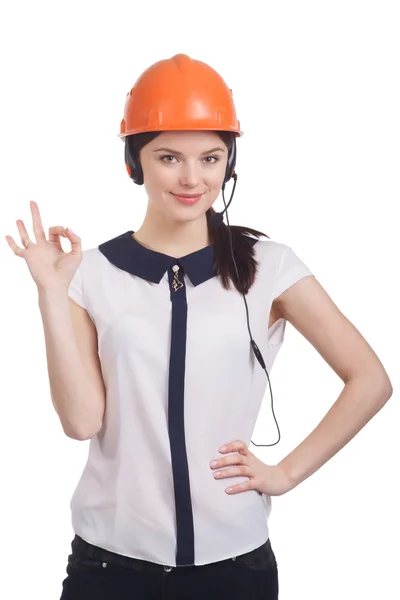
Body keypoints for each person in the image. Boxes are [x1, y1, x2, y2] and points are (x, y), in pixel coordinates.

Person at [5, 54, 392, 600]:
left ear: (229, 162)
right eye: (168, 157)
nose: (192, 179)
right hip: (109, 566)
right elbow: (81, 420)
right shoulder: (89, 272)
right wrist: (49, 292)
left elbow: (370, 379)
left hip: (234, 565)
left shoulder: (270, 267)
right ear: (133, 164)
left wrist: (284, 474)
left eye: (211, 158)